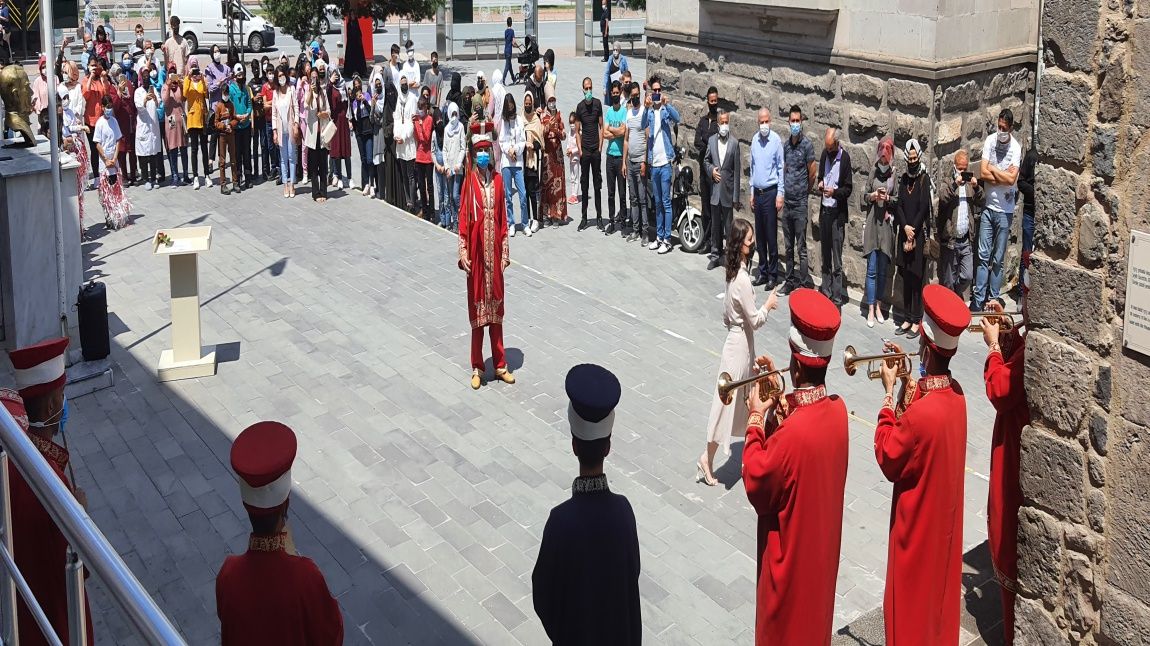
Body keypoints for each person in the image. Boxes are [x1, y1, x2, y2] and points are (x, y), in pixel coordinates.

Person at [742, 288, 848, 645]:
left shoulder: (792, 436)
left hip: (788, 570)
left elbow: (758, 480)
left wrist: (757, 416)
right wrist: (780, 394)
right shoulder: (837, 412)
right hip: (819, 562)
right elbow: (803, 426)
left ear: (796, 364)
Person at [875, 284, 971, 646]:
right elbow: (925, 409)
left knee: (906, 618)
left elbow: (887, 454)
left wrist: (888, 393)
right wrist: (907, 382)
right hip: (940, 531)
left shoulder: (920, 416)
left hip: (915, 531)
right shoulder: (957, 397)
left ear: (926, 348)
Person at [533, 363, 640, 645]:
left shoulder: (561, 521)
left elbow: (543, 596)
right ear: (608, 447)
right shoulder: (624, 512)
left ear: (573, 445)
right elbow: (631, 580)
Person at [216, 421, 343, 645]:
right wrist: (294, 559)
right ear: (286, 504)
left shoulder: (228, 574)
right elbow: (332, 636)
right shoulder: (305, 578)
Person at [4, 338, 95, 646]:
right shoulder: (51, 482)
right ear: (55, 405)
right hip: (54, 616)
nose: (64, 402)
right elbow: (77, 566)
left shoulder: (17, 452)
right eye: (62, 394)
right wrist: (79, 515)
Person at [698, 219, 778, 485]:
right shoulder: (741, 278)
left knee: (746, 400)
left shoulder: (732, 272)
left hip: (740, 342)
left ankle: (747, 459)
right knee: (725, 404)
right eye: (748, 240)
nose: (752, 243)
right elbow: (755, 320)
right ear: (739, 244)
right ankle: (707, 459)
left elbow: (726, 316)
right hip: (739, 346)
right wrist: (768, 304)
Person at [981, 294, 1029, 646]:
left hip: (1015, 447)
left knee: (1005, 527)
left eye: (1026, 296)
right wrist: (1007, 335)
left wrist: (995, 346)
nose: (1021, 300)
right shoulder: (1030, 339)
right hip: (1013, 438)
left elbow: (1001, 388)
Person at [459, 136, 515, 389]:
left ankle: (501, 364)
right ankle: (477, 367)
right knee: (478, 315)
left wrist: (505, 252)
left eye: (486, 151)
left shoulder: (500, 182)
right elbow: (463, 218)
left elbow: (503, 220)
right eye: (479, 151)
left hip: (494, 257)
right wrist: (463, 252)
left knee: (496, 313)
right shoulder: (469, 184)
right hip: (478, 257)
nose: (483, 155)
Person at [974, 109, 1022, 310]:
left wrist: (994, 171)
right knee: (983, 256)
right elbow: (984, 172)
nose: (1001, 131)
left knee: (998, 259)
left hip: (1005, 211)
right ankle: (978, 301)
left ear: (1010, 128)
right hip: (988, 207)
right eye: (999, 127)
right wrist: (999, 173)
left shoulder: (1016, 148)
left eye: (1004, 128)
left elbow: (1012, 180)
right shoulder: (991, 141)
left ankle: (993, 301)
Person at [894, 139, 932, 337]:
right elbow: (899, 205)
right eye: (909, 158)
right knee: (906, 277)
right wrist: (904, 226)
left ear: (919, 156)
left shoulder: (923, 180)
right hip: (905, 233)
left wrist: (913, 229)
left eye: (914, 157)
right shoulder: (903, 179)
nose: (912, 161)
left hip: (917, 237)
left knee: (917, 279)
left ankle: (917, 319)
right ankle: (907, 318)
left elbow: (923, 207)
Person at [937, 149, 985, 302]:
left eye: (965, 168)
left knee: (968, 275)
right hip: (951, 240)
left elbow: (982, 200)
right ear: (955, 166)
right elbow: (943, 198)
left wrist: (977, 187)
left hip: (966, 240)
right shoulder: (947, 181)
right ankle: (949, 306)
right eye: (960, 168)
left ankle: (956, 295)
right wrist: (954, 184)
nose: (963, 172)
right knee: (948, 281)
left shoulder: (971, 184)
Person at [860, 137, 897, 327]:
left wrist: (888, 197)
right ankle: (871, 308)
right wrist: (873, 196)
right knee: (872, 270)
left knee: (883, 271)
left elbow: (898, 201)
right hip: (873, 225)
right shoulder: (873, 171)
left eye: (887, 150)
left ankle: (880, 305)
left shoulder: (893, 175)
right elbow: (862, 197)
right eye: (882, 150)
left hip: (886, 227)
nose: (884, 153)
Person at [781, 106, 817, 293]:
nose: (795, 124)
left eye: (798, 120)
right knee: (788, 247)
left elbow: (812, 173)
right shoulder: (786, 146)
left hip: (800, 204)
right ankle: (789, 281)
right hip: (787, 204)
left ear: (801, 122)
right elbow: (785, 169)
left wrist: (805, 191)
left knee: (801, 247)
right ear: (788, 122)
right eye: (792, 121)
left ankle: (803, 285)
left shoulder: (807, 145)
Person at [642, 76, 680, 254]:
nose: (656, 93)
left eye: (659, 91)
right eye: (654, 91)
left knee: (666, 202)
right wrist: (646, 106)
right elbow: (643, 125)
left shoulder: (664, 110)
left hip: (665, 163)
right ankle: (658, 237)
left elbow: (677, 118)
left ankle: (667, 239)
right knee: (657, 203)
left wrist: (667, 104)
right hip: (654, 163)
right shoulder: (650, 112)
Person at [748, 108, 785, 284]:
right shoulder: (754, 140)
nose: (764, 125)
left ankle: (773, 275)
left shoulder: (776, 141)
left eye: (766, 121)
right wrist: (751, 192)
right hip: (758, 192)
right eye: (761, 122)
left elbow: (780, 169)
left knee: (771, 235)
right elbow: (752, 168)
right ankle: (762, 272)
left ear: (770, 121)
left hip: (771, 193)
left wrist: (780, 194)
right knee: (760, 235)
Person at [816, 127, 852, 307]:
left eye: (831, 148)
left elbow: (848, 188)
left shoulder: (844, 159)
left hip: (837, 215)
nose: (828, 151)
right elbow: (820, 177)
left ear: (836, 144)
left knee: (836, 259)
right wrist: (821, 183)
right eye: (826, 148)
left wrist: (835, 192)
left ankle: (836, 299)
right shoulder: (824, 154)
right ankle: (825, 292)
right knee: (825, 256)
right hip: (825, 212)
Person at [703, 109, 741, 271]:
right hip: (715, 192)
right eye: (722, 122)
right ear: (718, 124)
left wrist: (736, 197)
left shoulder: (734, 143)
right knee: (715, 226)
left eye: (727, 122)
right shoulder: (711, 141)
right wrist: (711, 170)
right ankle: (715, 254)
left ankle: (730, 257)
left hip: (727, 191)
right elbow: (705, 160)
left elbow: (737, 172)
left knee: (728, 227)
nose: (725, 125)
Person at [94, 95, 131, 228]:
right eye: (107, 107)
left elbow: (117, 140)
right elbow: (97, 143)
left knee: (115, 188)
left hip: (113, 160)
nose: (109, 109)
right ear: (102, 107)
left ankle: (117, 215)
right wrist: (106, 159)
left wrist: (114, 159)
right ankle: (109, 217)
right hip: (104, 161)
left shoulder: (114, 121)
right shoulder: (99, 123)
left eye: (111, 107)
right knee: (106, 191)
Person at [575, 77, 605, 231]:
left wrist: (600, 147)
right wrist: (580, 149)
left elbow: (602, 126)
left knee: (597, 184)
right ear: (582, 89)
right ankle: (584, 217)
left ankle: (599, 217)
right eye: (586, 88)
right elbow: (577, 130)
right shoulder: (579, 107)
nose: (588, 91)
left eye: (590, 88)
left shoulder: (598, 104)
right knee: (585, 185)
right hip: (585, 151)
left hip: (595, 151)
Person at [499, 93, 530, 237]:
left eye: (512, 104)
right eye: (508, 105)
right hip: (506, 162)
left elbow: (523, 140)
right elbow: (501, 141)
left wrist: (515, 150)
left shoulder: (519, 120)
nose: (510, 107)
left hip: (517, 162)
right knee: (508, 196)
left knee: (522, 194)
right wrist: (508, 150)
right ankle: (511, 223)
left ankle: (525, 223)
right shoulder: (503, 121)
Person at [696, 87, 720, 260]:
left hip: (715, 172)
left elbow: (718, 147)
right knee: (705, 207)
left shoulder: (720, 123)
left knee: (715, 208)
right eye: (711, 101)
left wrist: (708, 145)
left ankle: (715, 243)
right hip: (703, 172)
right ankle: (706, 240)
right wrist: (708, 144)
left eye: (715, 101)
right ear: (707, 101)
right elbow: (698, 142)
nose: (713, 104)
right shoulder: (703, 122)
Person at [602, 80, 629, 236]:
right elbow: (604, 134)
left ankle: (623, 223)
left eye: (617, 93)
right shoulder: (609, 112)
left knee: (622, 192)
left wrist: (612, 130)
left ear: (620, 93)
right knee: (611, 192)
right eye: (613, 93)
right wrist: (615, 131)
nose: (615, 95)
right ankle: (611, 222)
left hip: (620, 158)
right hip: (610, 156)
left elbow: (623, 131)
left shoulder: (624, 111)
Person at [622, 82, 647, 243]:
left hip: (641, 162)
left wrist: (645, 161)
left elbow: (648, 138)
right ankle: (636, 230)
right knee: (633, 199)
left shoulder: (645, 112)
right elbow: (626, 139)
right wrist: (624, 162)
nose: (636, 97)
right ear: (630, 96)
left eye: (638, 94)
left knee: (643, 199)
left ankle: (645, 232)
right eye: (634, 95)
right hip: (630, 162)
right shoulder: (629, 114)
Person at [82, 58, 111, 189]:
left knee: (103, 148)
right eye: (92, 66)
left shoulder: (100, 80)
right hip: (90, 120)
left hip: (102, 120)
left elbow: (106, 94)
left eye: (96, 66)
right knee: (94, 149)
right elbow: (86, 94)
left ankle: (106, 172)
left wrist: (104, 78)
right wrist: (90, 77)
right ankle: (96, 176)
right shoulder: (85, 80)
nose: (94, 68)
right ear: (88, 66)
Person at [305, 62, 332, 203]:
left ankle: (324, 191)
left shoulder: (323, 92)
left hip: (322, 134)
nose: (315, 80)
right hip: (312, 134)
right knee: (313, 165)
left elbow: (329, 110)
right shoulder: (308, 92)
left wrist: (324, 114)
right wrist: (310, 91)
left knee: (323, 164)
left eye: (316, 78)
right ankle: (315, 192)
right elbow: (305, 106)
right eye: (312, 78)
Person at [271, 65, 298, 198]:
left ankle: (292, 183)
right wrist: (274, 131)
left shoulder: (291, 89)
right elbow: (274, 114)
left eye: (282, 75)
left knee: (292, 157)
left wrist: (296, 124)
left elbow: (296, 108)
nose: (281, 78)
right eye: (278, 76)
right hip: (281, 130)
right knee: (283, 158)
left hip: (291, 128)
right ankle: (285, 184)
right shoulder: (275, 93)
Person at [109, 63, 138, 187]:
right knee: (121, 150)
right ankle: (124, 176)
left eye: (120, 72)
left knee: (132, 150)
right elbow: (114, 106)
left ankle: (133, 174)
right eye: (116, 73)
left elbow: (133, 101)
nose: (119, 75)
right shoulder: (112, 88)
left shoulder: (129, 84)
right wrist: (119, 92)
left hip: (131, 121)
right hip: (120, 123)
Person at [184, 58, 210, 189]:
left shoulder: (201, 82)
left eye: (196, 69)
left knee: (204, 148)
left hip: (202, 118)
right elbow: (185, 93)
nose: (195, 73)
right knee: (194, 149)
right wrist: (189, 77)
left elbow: (205, 94)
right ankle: (195, 176)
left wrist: (203, 80)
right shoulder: (187, 81)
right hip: (192, 119)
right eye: (192, 69)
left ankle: (207, 175)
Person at [541, 94, 568, 224]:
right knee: (547, 184)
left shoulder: (559, 115)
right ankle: (547, 214)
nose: (552, 103)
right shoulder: (543, 116)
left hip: (557, 154)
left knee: (558, 183)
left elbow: (563, 135)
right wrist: (548, 127)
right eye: (550, 101)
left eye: (553, 100)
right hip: (547, 154)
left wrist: (557, 130)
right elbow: (540, 134)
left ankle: (557, 215)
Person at [133, 71, 162, 190]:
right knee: (144, 155)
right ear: (141, 79)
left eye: (147, 77)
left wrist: (155, 99)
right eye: (144, 77)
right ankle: (146, 179)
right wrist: (145, 100)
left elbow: (159, 103)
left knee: (154, 154)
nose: (146, 79)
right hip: (144, 125)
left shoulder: (153, 89)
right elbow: (139, 106)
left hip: (153, 125)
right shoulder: (138, 92)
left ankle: (154, 178)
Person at [162, 64, 188, 188]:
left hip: (181, 119)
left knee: (183, 148)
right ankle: (175, 175)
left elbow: (183, 99)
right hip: (171, 120)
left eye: (174, 73)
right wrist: (168, 86)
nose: (173, 77)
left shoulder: (179, 87)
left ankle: (186, 174)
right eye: (170, 73)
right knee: (173, 149)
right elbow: (166, 102)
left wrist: (182, 86)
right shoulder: (164, 87)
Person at [522, 91, 544, 234]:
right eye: (526, 104)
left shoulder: (536, 120)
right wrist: (524, 144)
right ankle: (528, 218)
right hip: (522, 160)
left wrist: (533, 145)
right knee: (524, 192)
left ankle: (536, 219)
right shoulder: (520, 119)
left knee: (532, 191)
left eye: (530, 104)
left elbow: (540, 142)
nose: (528, 106)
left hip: (533, 161)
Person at [212, 83, 240, 195]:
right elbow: (216, 122)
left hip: (231, 134)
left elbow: (235, 118)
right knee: (222, 161)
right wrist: (223, 126)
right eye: (224, 93)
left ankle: (235, 182)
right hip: (222, 136)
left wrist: (231, 125)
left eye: (227, 93)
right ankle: (223, 184)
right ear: (221, 93)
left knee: (233, 159)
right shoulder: (218, 106)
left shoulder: (231, 105)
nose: (226, 95)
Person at [327, 68, 352, 190]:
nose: (336, 76)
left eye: (336, 73)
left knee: (346, 150)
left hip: (344, 120)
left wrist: (350, 119)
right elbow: (327, 97)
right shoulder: (330, 87)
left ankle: (350, 177)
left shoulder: (344, 86)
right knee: (337, 151)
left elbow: (348, 104)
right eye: (333, 74)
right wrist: (330, 82)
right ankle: (339, 176)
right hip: (335, 121)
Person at [394, 76, 416, 211]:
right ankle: (407, 200)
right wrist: (397, 135)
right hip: (399, 142)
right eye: (401, 84)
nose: (404, 86)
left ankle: (412, 201)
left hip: (408, 141)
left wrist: (404, 136)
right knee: (403, 174)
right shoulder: (398, 100)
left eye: (405, 84)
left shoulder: (412, 99)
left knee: (411, 175)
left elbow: (411, 121)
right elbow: (397, 117)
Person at [230, 64, 254, 189]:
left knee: (247, 152)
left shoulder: (246, 89)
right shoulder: (231, 89)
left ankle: (248, 177)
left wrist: (247, 114)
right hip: (236, 126)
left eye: (242, 75)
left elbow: (249, 104)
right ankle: (237, 178)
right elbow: (230, 105)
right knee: (237, 153)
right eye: (238, 75)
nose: (241, 77)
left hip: (246, 125)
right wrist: (236, 116)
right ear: (235, 76)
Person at [350, 76, 374, 196]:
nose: (358, 87)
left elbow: (370, 110)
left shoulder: (367, 96)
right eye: (355, 86)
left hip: (368, 131)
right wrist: (358, 102)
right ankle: (365, 184)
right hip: (360, 132)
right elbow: (357, 117)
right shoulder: (354, 102)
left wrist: (364, 100)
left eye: (359, 85)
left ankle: (372, 184)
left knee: (370, 159)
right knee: (363, 159)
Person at [413, 96, 435, 220]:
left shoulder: (429, 119)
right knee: (421, 185)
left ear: (426, 108)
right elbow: (417, 137)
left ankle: (432, 212)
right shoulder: (417, 120)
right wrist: (414, 123)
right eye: (419, 108)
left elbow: (426, 139)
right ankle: (425, 210)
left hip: (428, 157)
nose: (420, 111)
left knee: (429, 186)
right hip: (419, 156)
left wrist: (420, 125)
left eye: (422, 108)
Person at [248, 60, 267, 183]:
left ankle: (266, 170)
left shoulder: (263, 82)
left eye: (257, 68)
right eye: (254, 68)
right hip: (254, 118)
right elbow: (249, 101)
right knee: (255, 147)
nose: (256, 70)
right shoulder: (249, 85)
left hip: (263, 117)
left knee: (264, 145)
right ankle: (255, 171)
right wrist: (254, 99)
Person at [565, 111, 581, 207]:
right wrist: (567, 149)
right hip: (570, 158)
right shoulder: (570, 133)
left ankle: (575, 194)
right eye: (570, 122)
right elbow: (568, 143)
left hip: (576, 157)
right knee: (571, 177)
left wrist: (572, 151)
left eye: (573, 122)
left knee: (576, 176)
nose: (572, 125)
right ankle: (572, 193)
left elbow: (580, 147)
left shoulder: (579, 133)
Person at [503, 17, 517, 85]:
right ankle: (503, 79)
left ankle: (513, 78)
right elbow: (513, 42)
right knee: (507, 66)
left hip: (505, 50)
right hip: (509, 51)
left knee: (510, 66)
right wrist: (516, 45)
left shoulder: (505, 31)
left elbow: (507, 40)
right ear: (511, 23)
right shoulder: (512, 31)